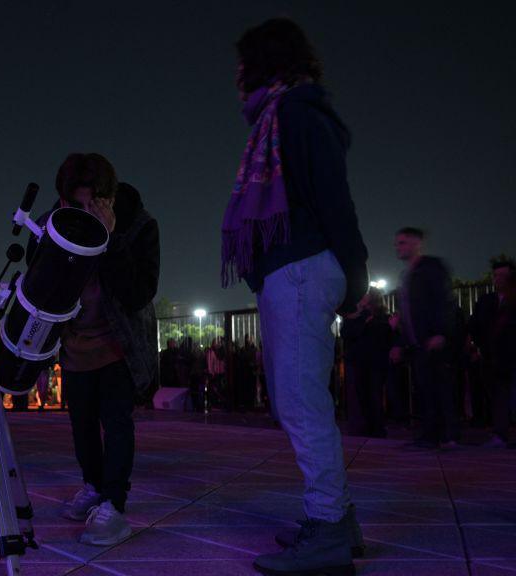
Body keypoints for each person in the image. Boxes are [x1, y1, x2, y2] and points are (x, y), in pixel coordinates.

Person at [222, 18, 369, 575]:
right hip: (294, 271)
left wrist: (357, 276)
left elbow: (335, 199)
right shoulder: (282, 118)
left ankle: (329, 528)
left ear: (266, 61)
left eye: (243, 64)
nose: (236, 77)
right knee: (296, 400)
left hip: (304, 270)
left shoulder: (296, 113)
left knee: (302, 402)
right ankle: (338, 519)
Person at [43, 154, 159, 547]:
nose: (85, 213)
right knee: (82, 425)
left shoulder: (140, 225)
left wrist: (109, 240)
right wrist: (59, 229)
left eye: (93, 204)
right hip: (75, 342)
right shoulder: (57, 220)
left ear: (108, 197)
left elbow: (139, 293)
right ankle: (92, 486)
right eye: (76, 205)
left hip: (117, 344)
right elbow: (38, 272)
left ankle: (114, 503)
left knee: (117, 423)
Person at [391, 227, 459, 450]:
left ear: (416, 243)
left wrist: (441, 332)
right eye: (397, 243)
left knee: (440, 387)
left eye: (402, 242)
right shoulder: (408, 276)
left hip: (432, 340)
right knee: (424, 389)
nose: (398, 247)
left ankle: (449, 436)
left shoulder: (431, 268)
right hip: (418, 343)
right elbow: (407, 313)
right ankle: (430, 435)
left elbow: (444, 300)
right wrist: (402, 343)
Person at [470, 258, 516, 447]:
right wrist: (479, 348)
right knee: (498, 397)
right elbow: (475, 326)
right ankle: (500, 434)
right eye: (496, 275)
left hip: (512, 356)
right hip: (492, 358)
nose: (499, 279)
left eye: (504, 275)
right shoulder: (486, 300)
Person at [342, 289, 392, 438]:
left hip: (375, 361)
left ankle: (377, 427)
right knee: (363, 393)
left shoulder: (381, 317)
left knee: (374, 394)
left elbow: (384, 338)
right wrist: (363, 321)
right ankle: (367, 425)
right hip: (360, 360)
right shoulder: (356, 315)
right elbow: (347, 334)